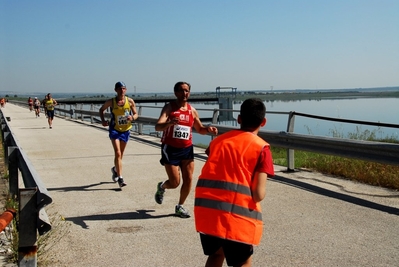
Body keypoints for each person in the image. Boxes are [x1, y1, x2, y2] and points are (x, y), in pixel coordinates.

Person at [194, 98, 275, 267]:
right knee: (242, 261)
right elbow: (258, 194)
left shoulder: (218, 141)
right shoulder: (262, 148)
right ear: (264, 122)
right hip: (238, 218)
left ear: (239, 119)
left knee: (216, 255)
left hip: (208, 212)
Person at [154, 81, 218, 218]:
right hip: (170, 148)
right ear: (176, 93)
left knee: (188, 179)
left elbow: (199, 129)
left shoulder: (192, 110)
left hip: (187, 148)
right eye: (182, 90)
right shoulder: (169, 108)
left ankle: (180, 206)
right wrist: (169, 123)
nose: (185, 93)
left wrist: (208, 129)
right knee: (175, 182)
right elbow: (157, 127)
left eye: (187, 91)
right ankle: (162, 187)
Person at [99, 81, 138, 188]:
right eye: (120, 88)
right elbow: (101, 109)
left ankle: (115, 169)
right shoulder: (111, 102)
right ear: (116, 90)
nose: (122, 90)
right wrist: (103, 121)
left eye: (124, 88)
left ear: (126, 90)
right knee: (118, 153)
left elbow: (136, 114)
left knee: (121, 154)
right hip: (115, 129)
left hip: (126, 130)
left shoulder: (130, 101)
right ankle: (120, 178)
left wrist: (132, 118)